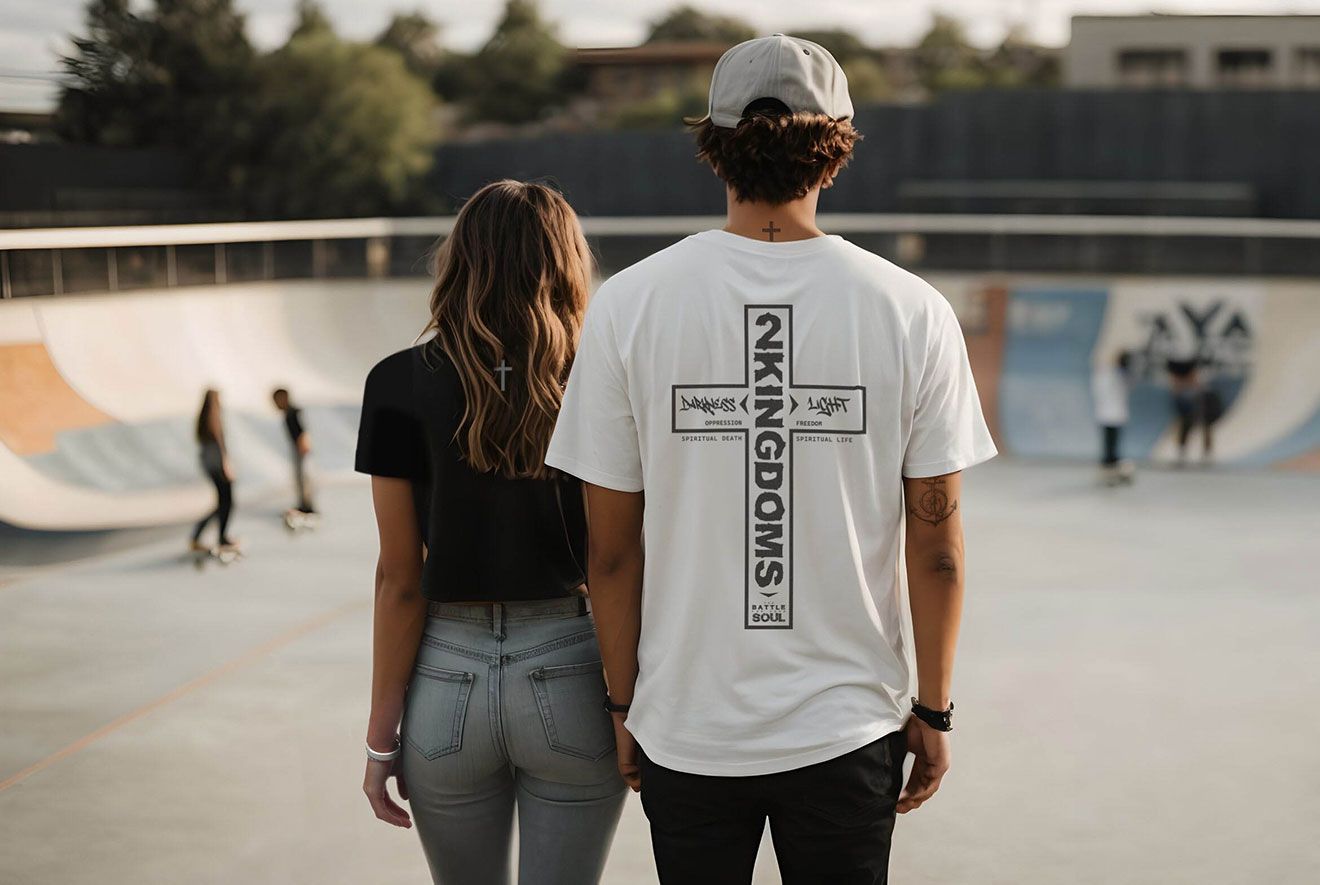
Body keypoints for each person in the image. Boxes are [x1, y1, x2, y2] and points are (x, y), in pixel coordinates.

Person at [547, 35, 997, 885]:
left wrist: (622, 703)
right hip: (848, 729)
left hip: (686, 721)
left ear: (713, 146)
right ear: (836, 149)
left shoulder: (630, 305)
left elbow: (608, 549)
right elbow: (935, 545)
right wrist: (933, 707)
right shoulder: (912, 311)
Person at [355, 180, 626, 885]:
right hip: (575, 669)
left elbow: (399, 579)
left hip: (446, 680)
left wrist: (382, 737)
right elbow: (616, 559)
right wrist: (628, 706)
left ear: (459, 260)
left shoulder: (394, 382)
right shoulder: (607, 379)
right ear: (568, 263)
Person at [189, 388, 239, 554]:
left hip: (208, 464)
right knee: (226, 502)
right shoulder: (213, 418)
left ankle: (203, 535)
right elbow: (219, 445)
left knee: (223, 502)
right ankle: (220, 537)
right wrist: (226, 465)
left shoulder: (203, 419)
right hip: (217, 464)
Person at [272, 387, 317, 518]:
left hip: (301, 448)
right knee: (299, 477)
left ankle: (307, 506)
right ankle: (303, 503)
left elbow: (303, 430)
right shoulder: (287, 413)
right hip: (296, 448)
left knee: (304, 477)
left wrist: (304, 444)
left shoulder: (295, 412)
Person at [1092, 351, 1134, 485]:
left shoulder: (1119, 375)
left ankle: (1112, 469)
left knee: (1113, 444)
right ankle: (1108, 470)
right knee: (1109, 445)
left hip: (1115, 415)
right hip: (1108, 415)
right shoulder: (1107, 374)